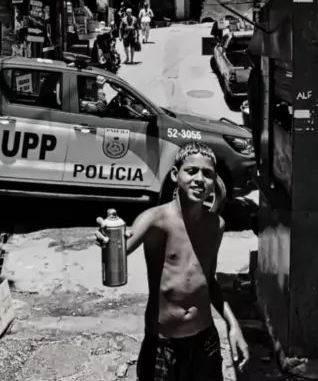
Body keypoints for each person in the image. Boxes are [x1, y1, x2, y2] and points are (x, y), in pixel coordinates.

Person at [95, 142, 249, 381]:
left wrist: (233, 324)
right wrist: (109, 239)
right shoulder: (155, 220)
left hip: (204, 342)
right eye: (192, 171)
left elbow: (209, 282)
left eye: (207, 174)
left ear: (214, 181)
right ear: (176, 175)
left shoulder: (214, 225)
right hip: (163, 344)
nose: (199, 179)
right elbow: (122, 247)